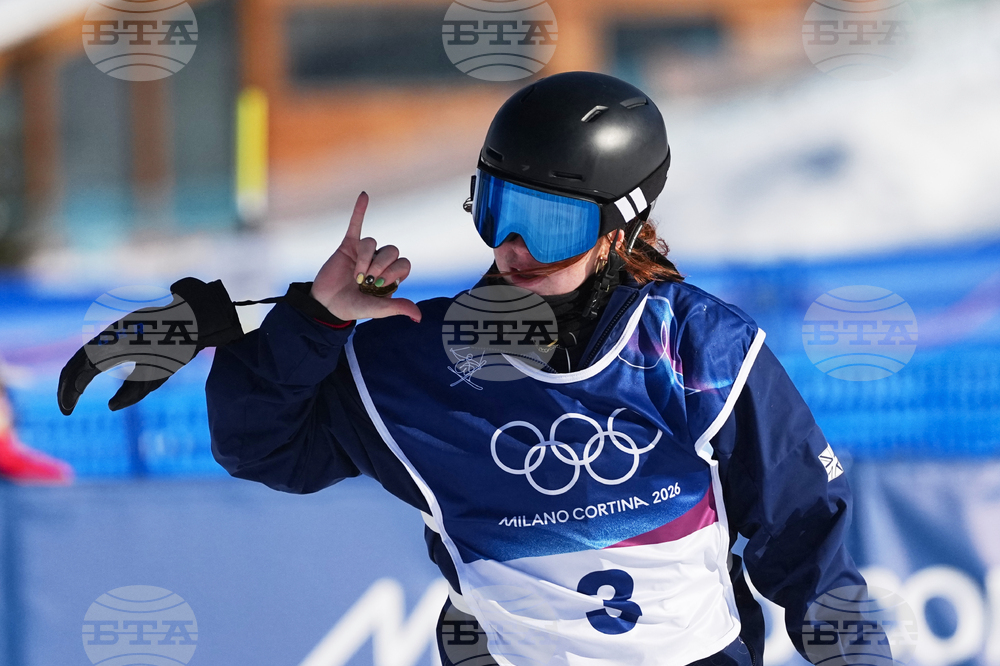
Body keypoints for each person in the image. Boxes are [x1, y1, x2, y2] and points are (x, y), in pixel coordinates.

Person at [59, 72, 883, 665]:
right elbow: (267, 450)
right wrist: (305, 322)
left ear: (619, 232)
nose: (515, 249)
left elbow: (806, 539)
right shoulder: (409, 359)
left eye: (550, 223)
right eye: (499, 211)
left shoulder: (696, 352)